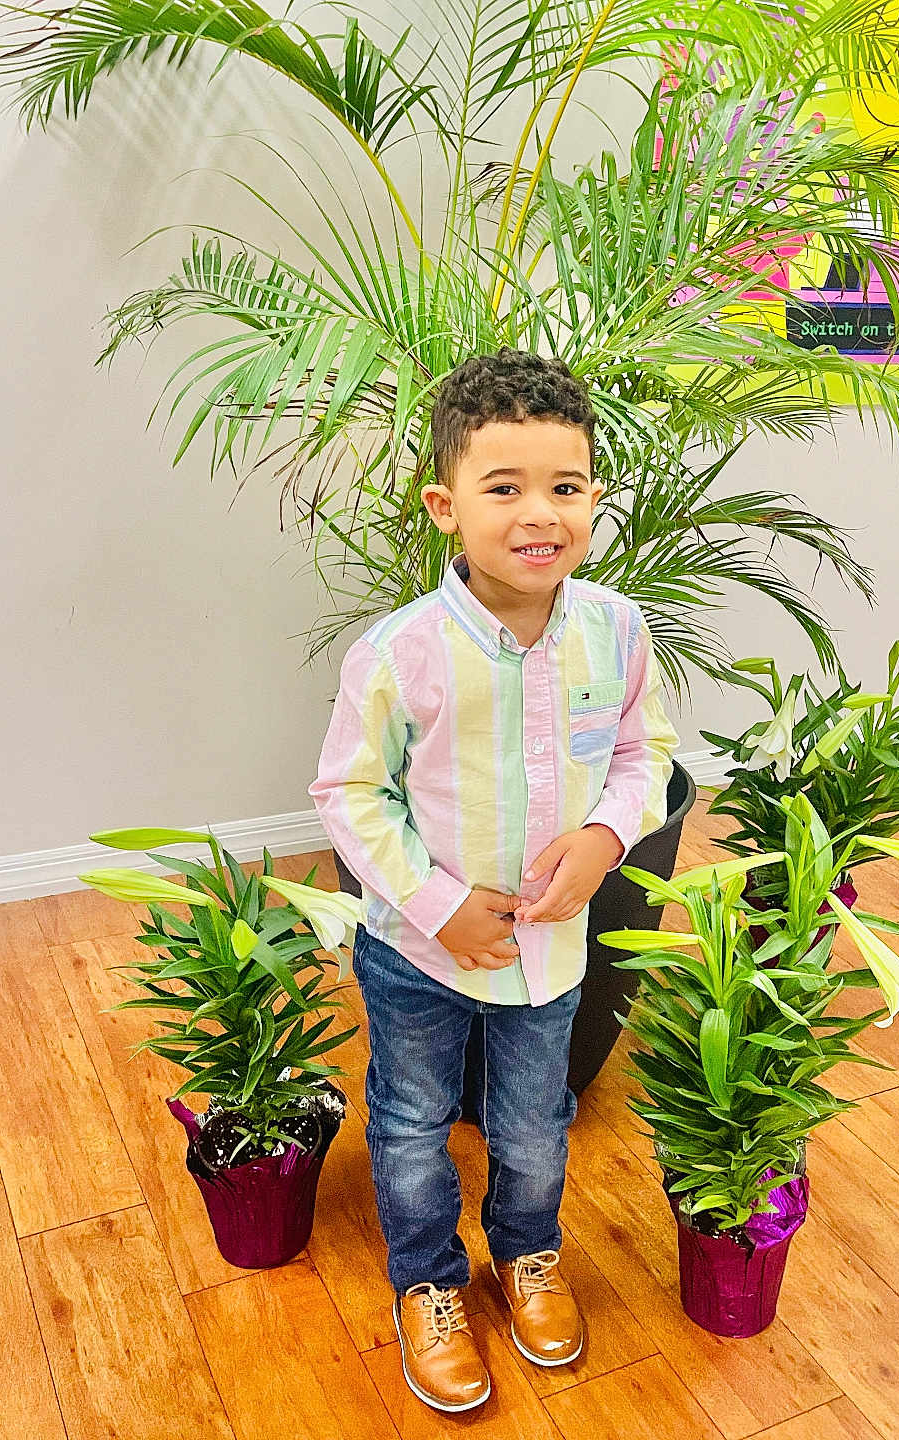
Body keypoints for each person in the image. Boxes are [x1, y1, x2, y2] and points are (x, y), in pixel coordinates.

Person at [309, 348, 680, 1412]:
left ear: (595, 500)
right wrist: (435, 904)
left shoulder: (616, 630)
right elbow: (348, 791)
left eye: (565, 488)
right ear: (445, 504)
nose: (539, 514)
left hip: (551, 949)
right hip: (420, 955)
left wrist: (609, 840)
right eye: (504, 487)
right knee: (414, 1121)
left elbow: (641, 755)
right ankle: (426, 1282)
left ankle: (526, 1254)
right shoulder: (399, 652)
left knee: (532, 1121)